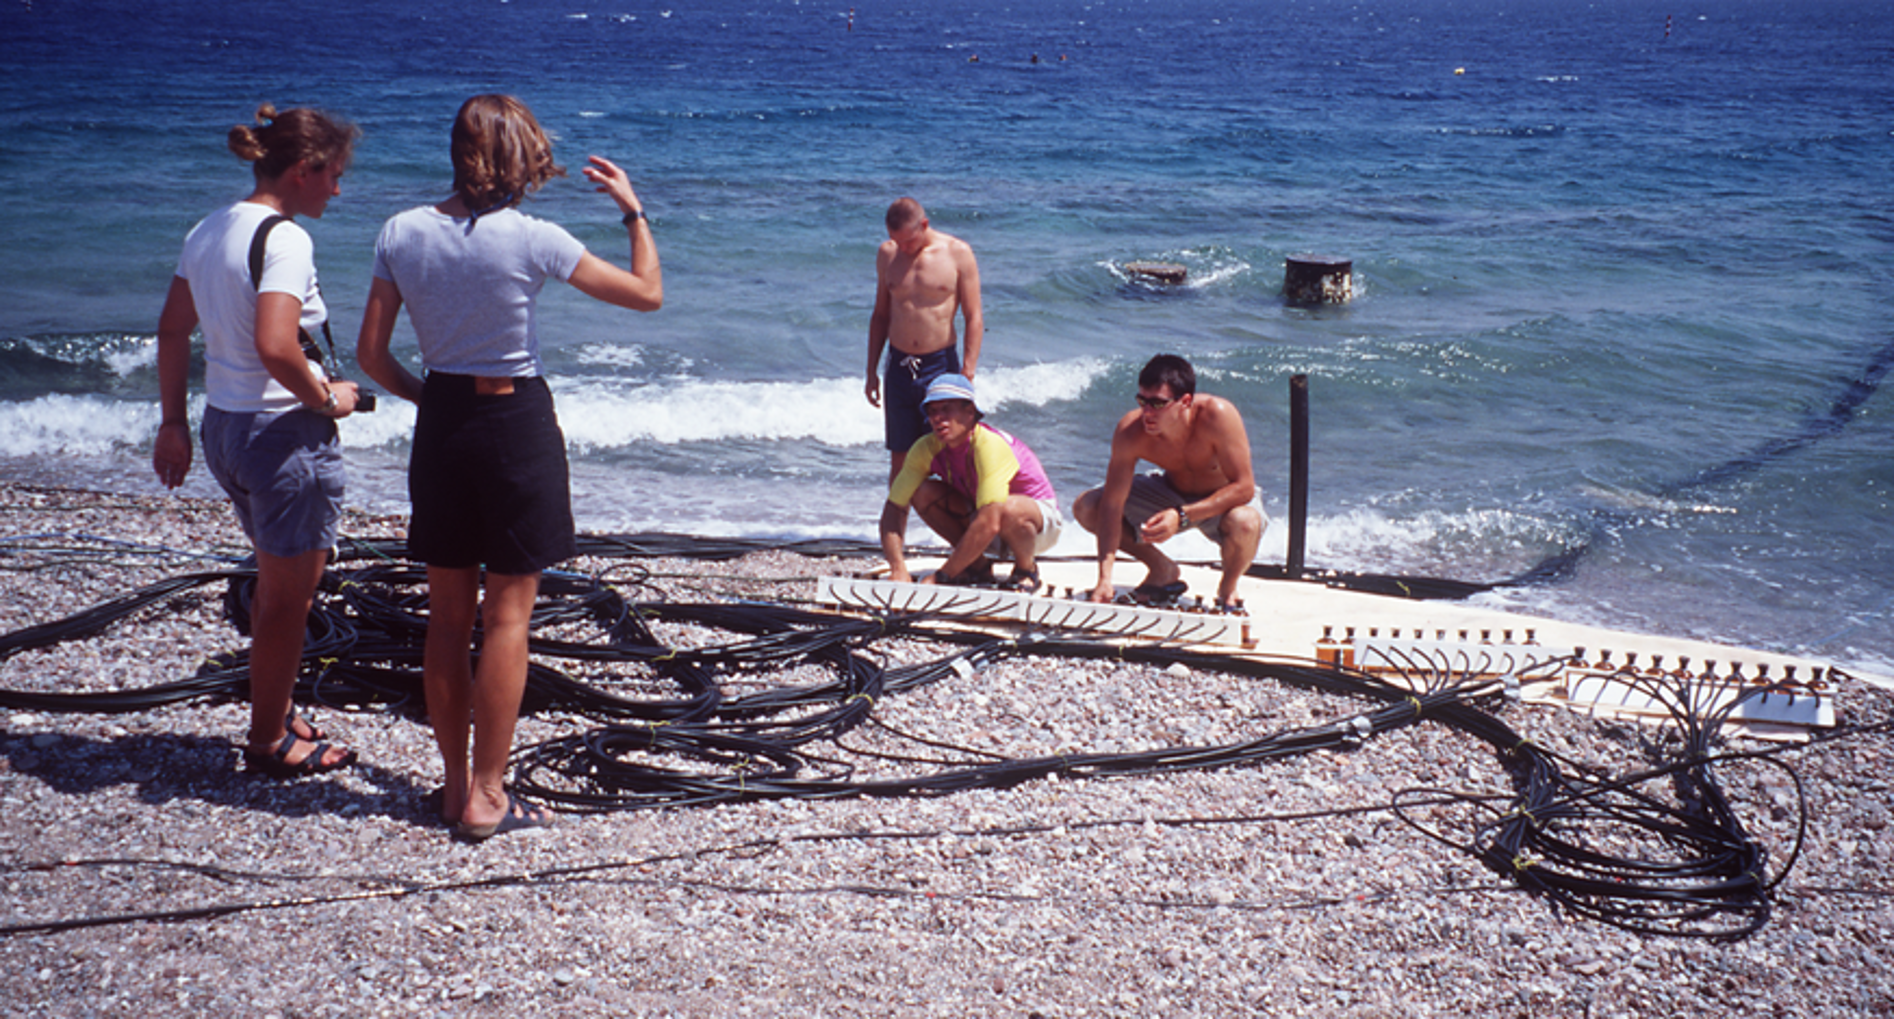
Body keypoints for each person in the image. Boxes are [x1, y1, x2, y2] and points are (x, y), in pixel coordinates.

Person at [355, 94, 662, 842]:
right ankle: (489, 795)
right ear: (519, 157)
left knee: (447, 614)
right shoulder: (534, 239)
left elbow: (368, 356)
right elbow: (648, 295)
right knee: (508, 617)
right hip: (514, 422)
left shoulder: (402, 231)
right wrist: (634, 213)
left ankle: (455, 786)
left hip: (445, 421)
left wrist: (429, 396)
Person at [152, 103, 364, 779]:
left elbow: (170, 329)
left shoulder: (211, 226)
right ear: (304, 170)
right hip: (283, 437)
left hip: (225, 426)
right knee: (286, 599)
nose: (338, 189)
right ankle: (270, 738)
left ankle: (275, 704)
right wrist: (329, 398)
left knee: (277, 585)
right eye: (334, 175)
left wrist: (173, 422)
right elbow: (277, 345)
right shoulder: (287, 239)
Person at [1073, 354, 1265, 610]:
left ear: (1185, 401)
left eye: (1158, 404)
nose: (1147, 412)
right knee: (1087, 506)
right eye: (1142, 401)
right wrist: (1105, 578)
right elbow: (1112, 504)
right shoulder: (1131, 431)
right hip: (1169, 491)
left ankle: (1228, 587)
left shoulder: (1217, 416)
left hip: (1222, 501)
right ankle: (1162, 568)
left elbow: (1244, 487)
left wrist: (1182, 516)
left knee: (1246, 522)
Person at [880, 374, 1061, 592]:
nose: (938, 418)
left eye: (946, 409)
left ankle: (1026, 569)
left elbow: (989, 522)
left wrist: (942, 577)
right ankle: (978, 565)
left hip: (1038, 525)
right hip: (987, 516)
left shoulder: (990, 446)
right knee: (921, 492)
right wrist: (897, 568)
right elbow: (894, 508)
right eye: (932, 411)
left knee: (1008, 508)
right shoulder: (925, 448)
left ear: (970, 412)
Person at [865, 197, 983, 480]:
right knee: (901, 460)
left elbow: (974, 316)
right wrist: (871, 371)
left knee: (948, 456)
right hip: (899, 365)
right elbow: (880, 315)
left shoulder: (958, 253)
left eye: (908, 241)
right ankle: (896, 524)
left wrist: (968, 370)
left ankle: (958, 524)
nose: (903, 248)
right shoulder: (887, 254)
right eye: (896, 240)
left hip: (940, 365)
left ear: (925, 225)